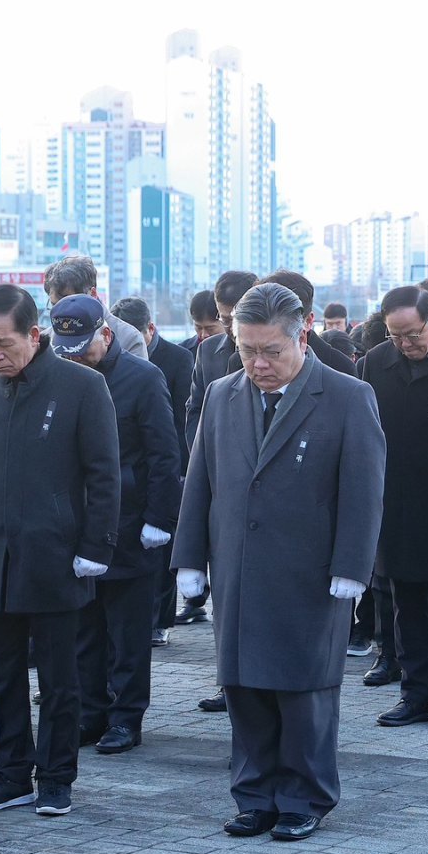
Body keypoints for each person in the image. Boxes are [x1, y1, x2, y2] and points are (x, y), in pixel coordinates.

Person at [173, 282, 384, 841]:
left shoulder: (345, 396)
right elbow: (201, 480)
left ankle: (303, 796)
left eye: (271, 351)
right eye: (247, 350)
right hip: (239, 563)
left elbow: (364, 491)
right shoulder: (222, 394)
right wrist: (190, 555)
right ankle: (254, 792)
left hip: (310, 569)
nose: (258, 363)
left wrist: (352, 567)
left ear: (302, 336)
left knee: (303, 687)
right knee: (243, 684)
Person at [0, 285, 120, 819]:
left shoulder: (83, 387)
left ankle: (56, 777)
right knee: (0, 675)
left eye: (5, 344)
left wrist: (95, 545)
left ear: (35, 335)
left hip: (56, 554)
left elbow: (104, 474)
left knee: (59, 679)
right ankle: (10, 773)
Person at [52, 296, 181, 753]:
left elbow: (165, 454)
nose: (74, 355)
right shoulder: (61, 374)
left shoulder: (143, 378)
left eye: (82, 347)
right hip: (79, 524)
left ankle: (127, 717)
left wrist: (158, 519)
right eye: (65, 347)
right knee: (85, 630)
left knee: (127, 633)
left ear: (106, 335)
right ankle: (92, 712)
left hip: (130, 524)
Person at [360, 286, 428, 731]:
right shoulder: (374, 365)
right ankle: (414, 692)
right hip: (397, 507)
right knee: (405, 609)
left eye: (414, 334)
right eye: (396, 336)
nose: (406, 344)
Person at [182, 270, 258, 688]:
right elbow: (195, 409)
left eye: (234, 318)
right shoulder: (209, 352)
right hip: (221, 483)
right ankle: (227, 681)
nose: (228, 327)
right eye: (224, 318)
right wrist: (204, 457)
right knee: (226, 597)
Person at [111, 295, 194, 650]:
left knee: (163, 550)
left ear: (150, 329)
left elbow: (180, 416)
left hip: (168, 459)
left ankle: (161, 618)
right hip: (131, 467)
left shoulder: (177, 359)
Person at [224, 272, 357, 379]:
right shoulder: (238, 362)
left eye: (272, 352)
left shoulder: (340, 367)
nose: (260, 364)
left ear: (308, 321)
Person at [42, 254, 147, 359]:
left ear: (92, 294)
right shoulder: (45, 343)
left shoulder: (129, 339)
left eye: (69, 304)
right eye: (55, 305)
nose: (61, 312)